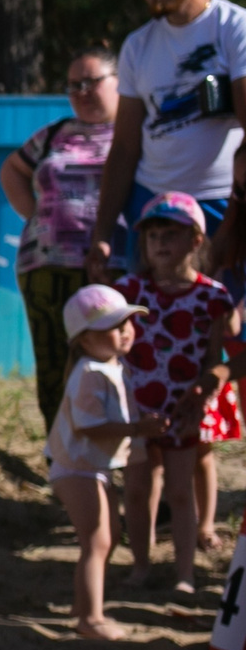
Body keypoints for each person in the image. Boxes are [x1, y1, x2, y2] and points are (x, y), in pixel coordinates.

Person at [84, 0, 246, 280]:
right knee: (149, 330)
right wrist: (103, 233)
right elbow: (125, 147)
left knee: (227, 327)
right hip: (152, 207)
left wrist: (234, 222)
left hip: (218, 203)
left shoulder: (234, 28)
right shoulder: (137, 45)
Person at [112, 192, 240, 591]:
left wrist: (203, 397)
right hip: (137, 410)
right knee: (137, 490)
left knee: (181, 493)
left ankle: (185, 573)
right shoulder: (128, 291)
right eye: (153, 236)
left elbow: (215, 354)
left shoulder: (212, 296)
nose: (161, 243)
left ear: (196, 240)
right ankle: (141, 566)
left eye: (171, 233)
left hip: (184, 407)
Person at [2, 46, 121, 426]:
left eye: (91, 82)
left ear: (119, 83)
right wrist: (36, 215)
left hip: (108, 271)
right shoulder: (54, 134)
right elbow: (12, 171)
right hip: (45, 268)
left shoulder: (136, 134)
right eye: (73, 86)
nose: (81, 92)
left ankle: (107, 455)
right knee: (54, 361)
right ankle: (61, 456)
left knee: (106, 359)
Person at [48, 284, 164, 640]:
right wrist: (138, 427)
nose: (126, 330)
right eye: (114, 326)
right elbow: (89, 427)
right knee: (96, 542)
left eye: (128, 321)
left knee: (108, 537)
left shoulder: (112, 366)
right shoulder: (90, 373)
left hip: (93, 468)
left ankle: (83, 605)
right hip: (76, 468)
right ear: (83, 339)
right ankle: (91, 619)